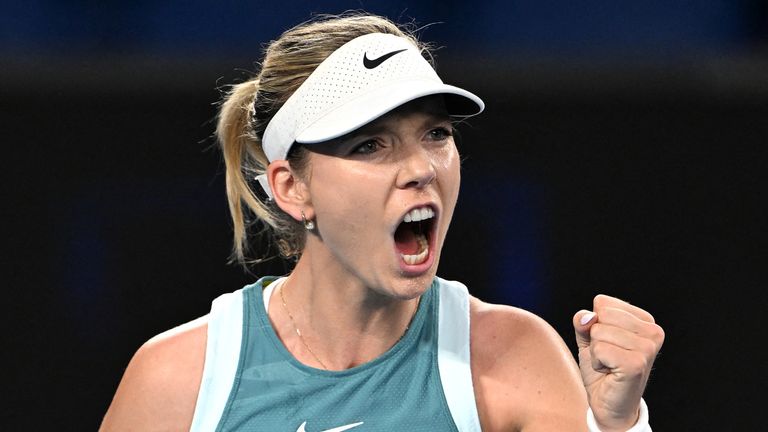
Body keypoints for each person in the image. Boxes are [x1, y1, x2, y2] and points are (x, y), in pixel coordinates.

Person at [100, 12, 664, 432]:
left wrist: (618, 425)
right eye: (371, 145)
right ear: (293, 188)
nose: (422, 168)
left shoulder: (515, 357)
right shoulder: (177, 382)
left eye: (436, 134)